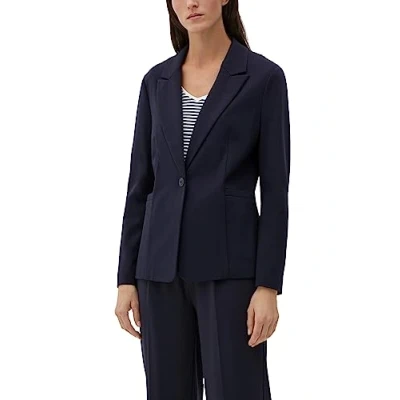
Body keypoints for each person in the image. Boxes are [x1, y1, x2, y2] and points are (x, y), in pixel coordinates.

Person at [115, 0, 291, 398]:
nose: (191, 3)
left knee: (238, 390)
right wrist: (126, 277)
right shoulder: (155, 81)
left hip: (229, 270)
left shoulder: (263, 78)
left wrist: (268, 285)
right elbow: (140, 185)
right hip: (158, 271)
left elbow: (275, 192)